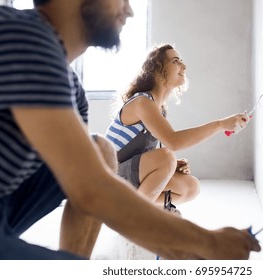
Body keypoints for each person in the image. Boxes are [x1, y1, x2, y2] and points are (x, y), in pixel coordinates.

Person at [0, 0, 260, 260]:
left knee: (98, 151)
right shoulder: (19, 35)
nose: (129, 11)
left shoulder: (72, 89)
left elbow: (89, 178)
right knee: (102, 169)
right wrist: (204, 242)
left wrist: (177, 244)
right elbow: (90, 187)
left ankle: (77, 262)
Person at [106, 44, 250, 212]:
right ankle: (135, 218)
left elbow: (151, 153)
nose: (184, 65)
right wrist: (220, 124)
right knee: (166, 157)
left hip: (124, 176)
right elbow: (173, 142)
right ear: (158, 70)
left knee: (190, 186)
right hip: (107, 180)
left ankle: (134, 208)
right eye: (175, 61)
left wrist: (170, 167)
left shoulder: (158, 108)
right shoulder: (142, 102)